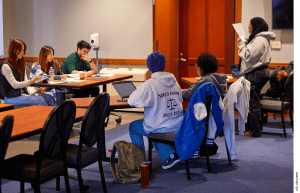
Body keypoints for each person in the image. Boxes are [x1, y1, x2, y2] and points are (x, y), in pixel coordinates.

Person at [128, 51, 184, 170]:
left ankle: (141, 162)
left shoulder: (150, 85)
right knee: (153, 125)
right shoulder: (175, 82)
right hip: (178, 125)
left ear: (149, 67)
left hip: (161, 128)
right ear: (164, 65)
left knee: (134, 126)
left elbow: (132, 101)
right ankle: (169, 152)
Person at [237, 17, 276, 137]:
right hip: (257, 73)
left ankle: (255, 131)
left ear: (256, 26)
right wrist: (248, 43)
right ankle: (253, 129)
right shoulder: (259, 39)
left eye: (250, 24)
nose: (248, 27)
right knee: (252, 102)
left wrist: (240, 44)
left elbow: (249, 56)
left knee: (253, 103)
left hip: (255, 73)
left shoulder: (259, 39)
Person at [0, 39, 52, 107]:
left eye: (23, 50)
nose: (23, 52)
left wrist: (35, 92)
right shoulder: (5, 66)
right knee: (40, 100)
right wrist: (32, 81)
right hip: (10, 98)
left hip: (21, 95)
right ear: (14, 50)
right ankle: (48, 117)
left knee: (47, 98)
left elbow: (26, 82)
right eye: (21, 50)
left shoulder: (21, 64)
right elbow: (15, 85)